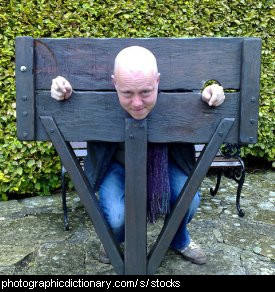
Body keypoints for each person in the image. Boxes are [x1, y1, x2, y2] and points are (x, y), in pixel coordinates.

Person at [51, 46, 225, 265]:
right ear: (114, 83)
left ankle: (178, 238)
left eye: (145, 92)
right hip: (115, 163)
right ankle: (114, 240)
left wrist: (211, 91)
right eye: (126, 93)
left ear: (158, 81)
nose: (136, 103)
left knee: (188, 200)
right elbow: (66, 98)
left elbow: (195, 93)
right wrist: (62, 92)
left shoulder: (176, 89)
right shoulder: (102, 95)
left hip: (165, 161)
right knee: (116, 217)